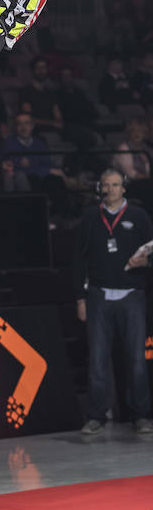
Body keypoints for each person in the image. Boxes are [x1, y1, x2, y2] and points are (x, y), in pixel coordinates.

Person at [73, 168, 153, 436]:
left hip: (132, 296)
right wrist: (80, 298)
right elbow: (77, 260)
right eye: (106, 185)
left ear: (124, 188)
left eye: (115, 185)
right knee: (97, 361)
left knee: (137, 360)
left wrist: (146, 261)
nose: (110, 190)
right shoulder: (89, 218)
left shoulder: (139, 216)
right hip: (98, 296)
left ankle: (140, 416)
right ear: (100, 188)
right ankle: (96, 416)